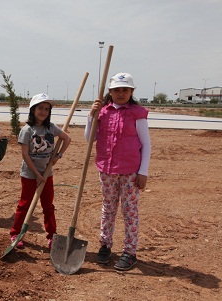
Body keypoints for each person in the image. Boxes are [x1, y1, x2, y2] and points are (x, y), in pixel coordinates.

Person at [85, 72, 151, 271]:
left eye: (125, 90)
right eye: (116, 90)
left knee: (129, 211)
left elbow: (146, 143)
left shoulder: (137, 113)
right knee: (108, 208)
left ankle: (130, 252)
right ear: (110, 92)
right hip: (106, 170)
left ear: (131, 92)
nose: (121, 94)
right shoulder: (103, 112)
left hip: (130, 171)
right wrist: (91, 116)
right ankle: (105, 245)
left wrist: (143, 171)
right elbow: (90, 138)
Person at [9, 93, 71, 250]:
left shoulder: (51, 128)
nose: (43, 111)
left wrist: (58, 156)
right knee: (25, 204)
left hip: (47, 173)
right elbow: (25, 154)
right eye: (40, 108)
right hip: (30, 174)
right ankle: (16, 234)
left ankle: (52, 237)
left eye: (46, 109)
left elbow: (67, 139)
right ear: (33, 109)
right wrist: (37, 175)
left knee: (48, 206)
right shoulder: (27, 130)